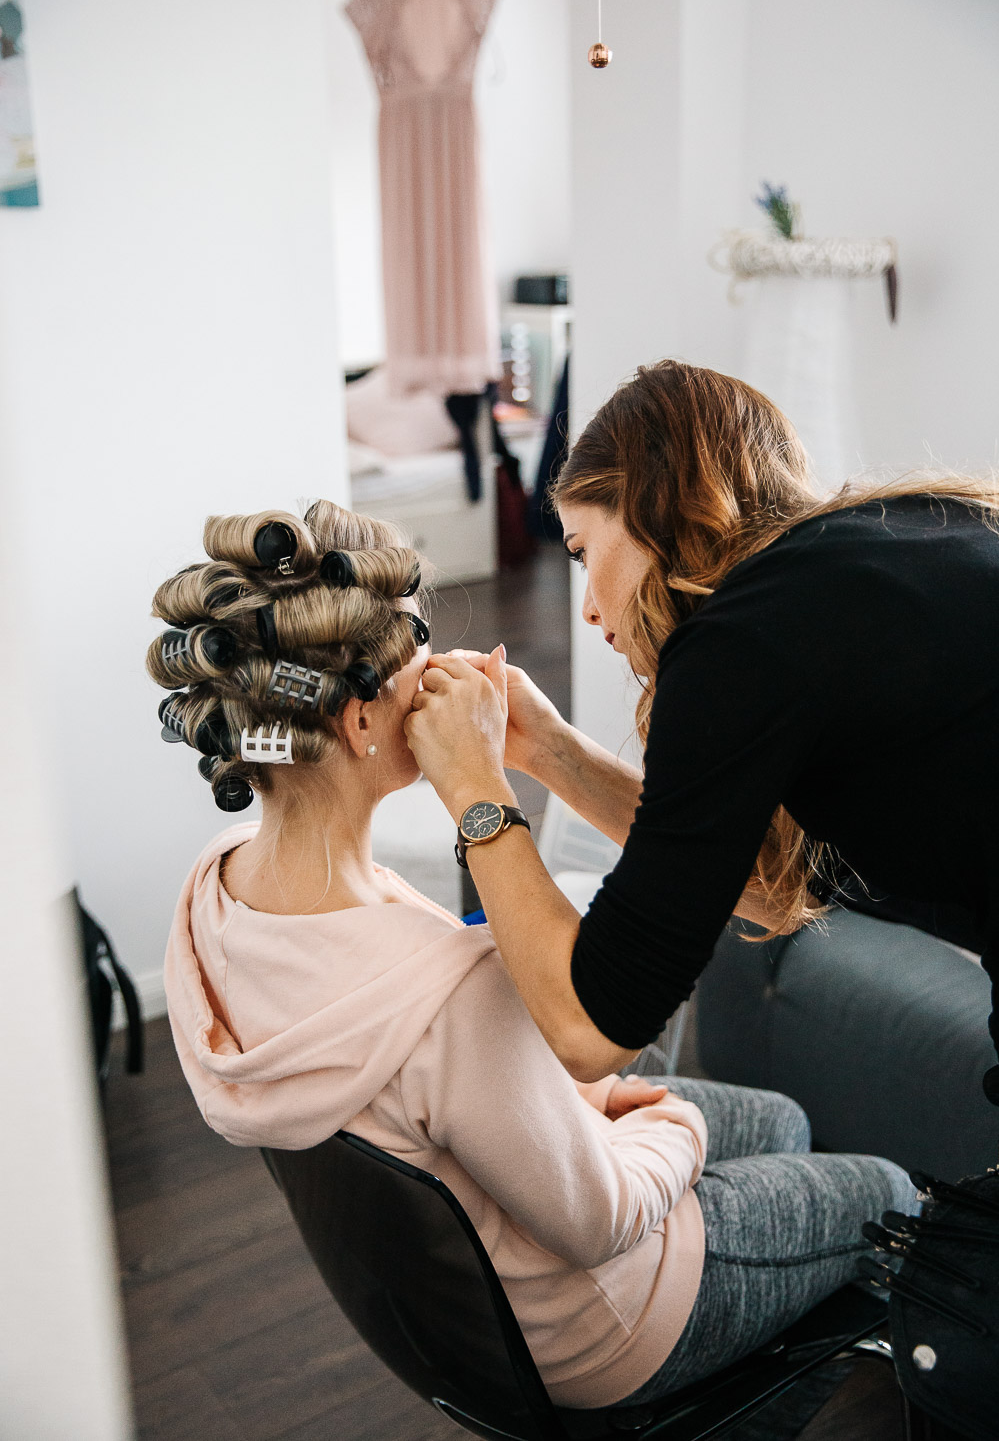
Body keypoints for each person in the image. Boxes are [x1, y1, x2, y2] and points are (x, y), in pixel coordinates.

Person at [154, 499, 916, 1414]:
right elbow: (596, 1222)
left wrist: (591, 1107)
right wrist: (673, 1126)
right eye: (415, 651)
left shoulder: (216, 889)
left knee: (784, 1122)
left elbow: (464, 1085)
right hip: (596, 1324)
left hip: (465, 1305)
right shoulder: (450, 995)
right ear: (360, 723)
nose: (436, 671)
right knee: (886, 1187)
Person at [403, 359, 999, 1106]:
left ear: (654, 505)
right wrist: (546, 750)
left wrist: (474, 789)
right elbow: (780, 889)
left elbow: (592, 1029)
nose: (590, 609)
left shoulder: (741, 641)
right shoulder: (914, 531)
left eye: (584, 551)